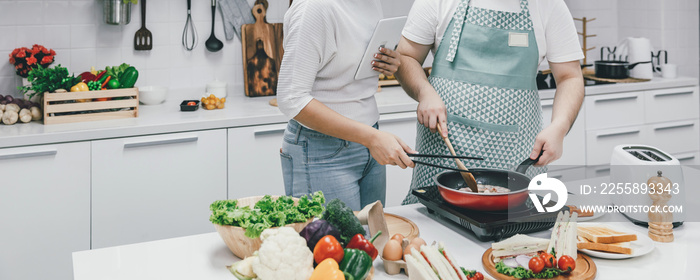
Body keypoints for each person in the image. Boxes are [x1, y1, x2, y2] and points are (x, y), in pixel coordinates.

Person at [396, 0, 585, 204]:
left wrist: (560, 126)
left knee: (516, 232)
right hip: (443, 152)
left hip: (516, 157)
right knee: (431, 229)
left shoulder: (548, 5)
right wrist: (425, 93)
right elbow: (406, 57)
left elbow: (570, 77)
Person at [277, 0, 415, 210]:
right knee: (335, 242)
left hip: (370, 143)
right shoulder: (313, 8)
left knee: (372, 240)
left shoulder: (370, 4)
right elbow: (291, 99)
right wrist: (371, 137)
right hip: (321, 150)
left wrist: (389, 62)